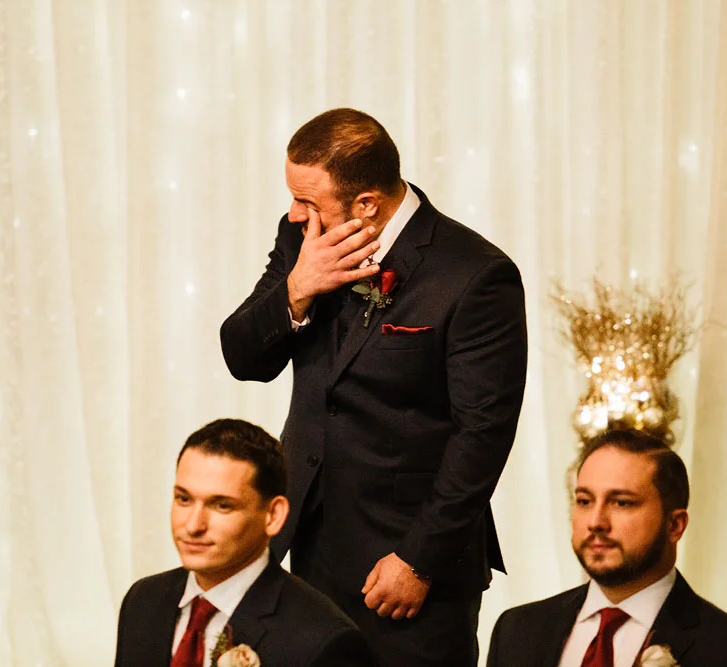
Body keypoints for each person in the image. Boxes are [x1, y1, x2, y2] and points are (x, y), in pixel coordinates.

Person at [220, 108, 529, 667]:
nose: (294, 214)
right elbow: (242, 357)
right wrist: (297, 289)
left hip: (411, 569)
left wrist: (418, 560)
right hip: (309, 549)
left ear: (367, 204)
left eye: (308, 201)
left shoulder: (477, 275)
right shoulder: (302, 240)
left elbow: (483, 435)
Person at [485, 429, 727, 667]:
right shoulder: (517, 632)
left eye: (622, 503)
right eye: (584, 500)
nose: (596, 521)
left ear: (675, 525)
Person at [113, 418, 376, 667]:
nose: (193, 526)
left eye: (222, 505)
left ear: (273, 515)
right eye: (184, 499)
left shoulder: (323, 640)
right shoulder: (143, 601)